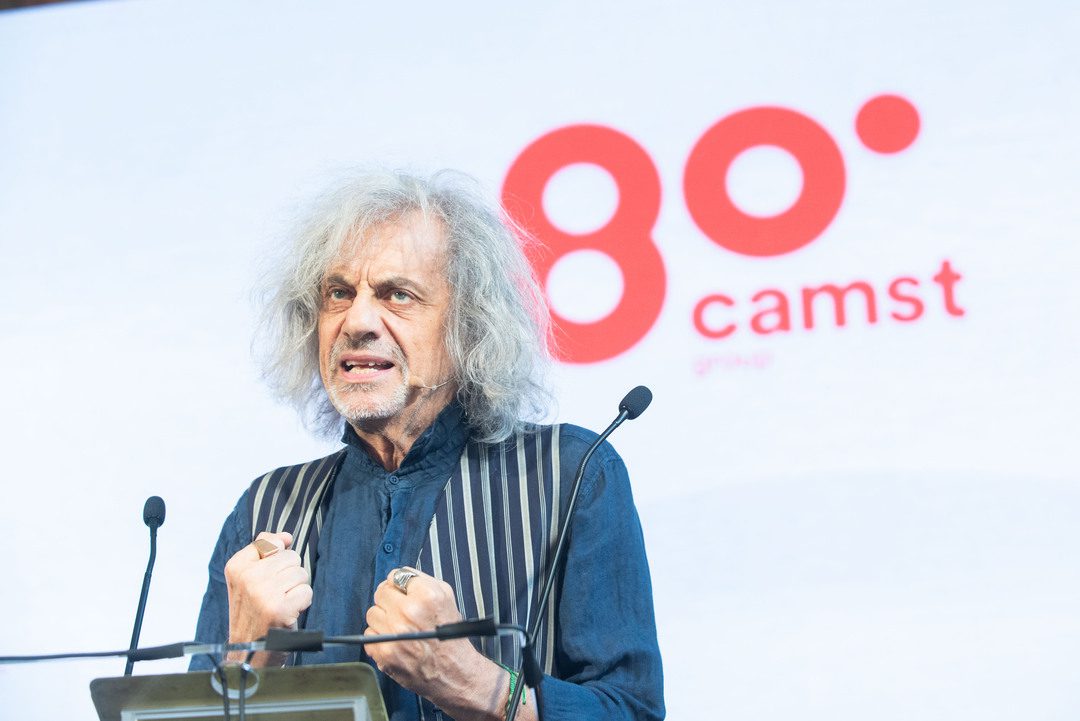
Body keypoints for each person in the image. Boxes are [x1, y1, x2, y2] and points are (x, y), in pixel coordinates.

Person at [191, 169, 664, 721]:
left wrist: (474, 683)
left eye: (398, 295)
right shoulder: (266, 509)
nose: (357, 321)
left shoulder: (571, 474)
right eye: (338, 293)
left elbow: (631, 710)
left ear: (468, 325)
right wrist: (247, 662)